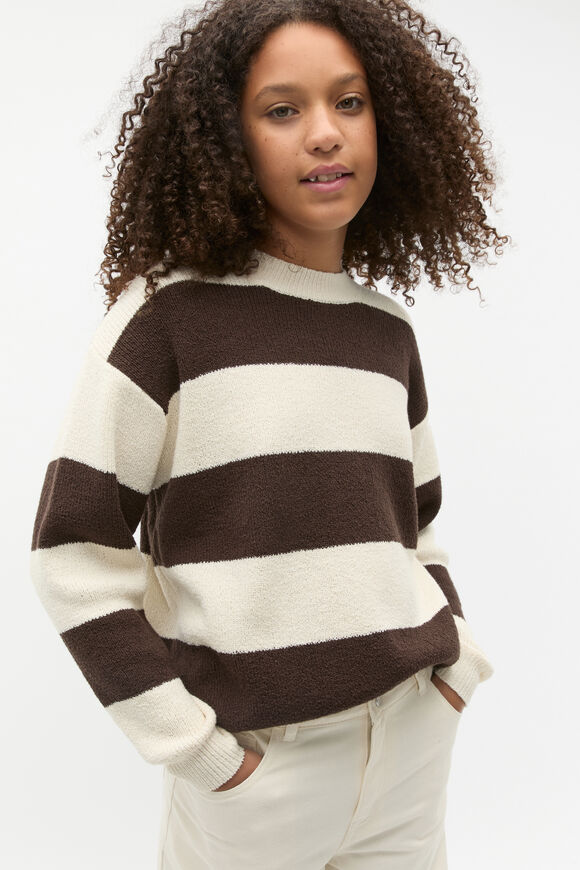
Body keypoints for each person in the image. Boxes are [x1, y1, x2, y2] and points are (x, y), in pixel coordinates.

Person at [30, 0, 509, 867]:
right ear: (225, 138)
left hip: (409, 748)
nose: (325, 133)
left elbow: (417, 527)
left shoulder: (385, 332)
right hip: (258, 776)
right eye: (282, 109)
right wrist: (199, 753)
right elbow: (73, 555)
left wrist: (455, 666)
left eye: (350, 102)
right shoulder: (166, 320)